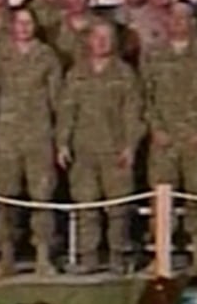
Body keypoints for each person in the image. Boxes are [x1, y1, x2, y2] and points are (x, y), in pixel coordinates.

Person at [141, 1, 197, 275]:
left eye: (184, 18)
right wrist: (156, 128)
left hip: (195, 141)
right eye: (173, 17)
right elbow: (145, 96)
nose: (178, 22)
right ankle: (160, 255)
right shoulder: (154, 53)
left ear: (193, 22)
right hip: (164, 141)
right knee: (161, 201)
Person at [56, 21, 145, 274]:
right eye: (97, 36)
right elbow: (66, 111)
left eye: (107, 37)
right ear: (89, 40)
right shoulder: (76, 73)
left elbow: (133, 112)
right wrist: (62, 143)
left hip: (115, 150)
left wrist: (130, 146)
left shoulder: (124, 73)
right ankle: (89, 257)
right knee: (86, 205)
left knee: (118, 208)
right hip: (83, 150)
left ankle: (118, 256)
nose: (102, 42)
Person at [0, 7, 62, 278]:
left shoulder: (47, 56)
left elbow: (57, 99)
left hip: (38, 135)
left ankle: (43, 256)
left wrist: (58, 136)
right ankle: (6, 257)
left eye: (28, 22)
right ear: (11, 25)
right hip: (6, 136)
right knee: (5, 198)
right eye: (19, 22)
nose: (23, 27)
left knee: (41, 197)